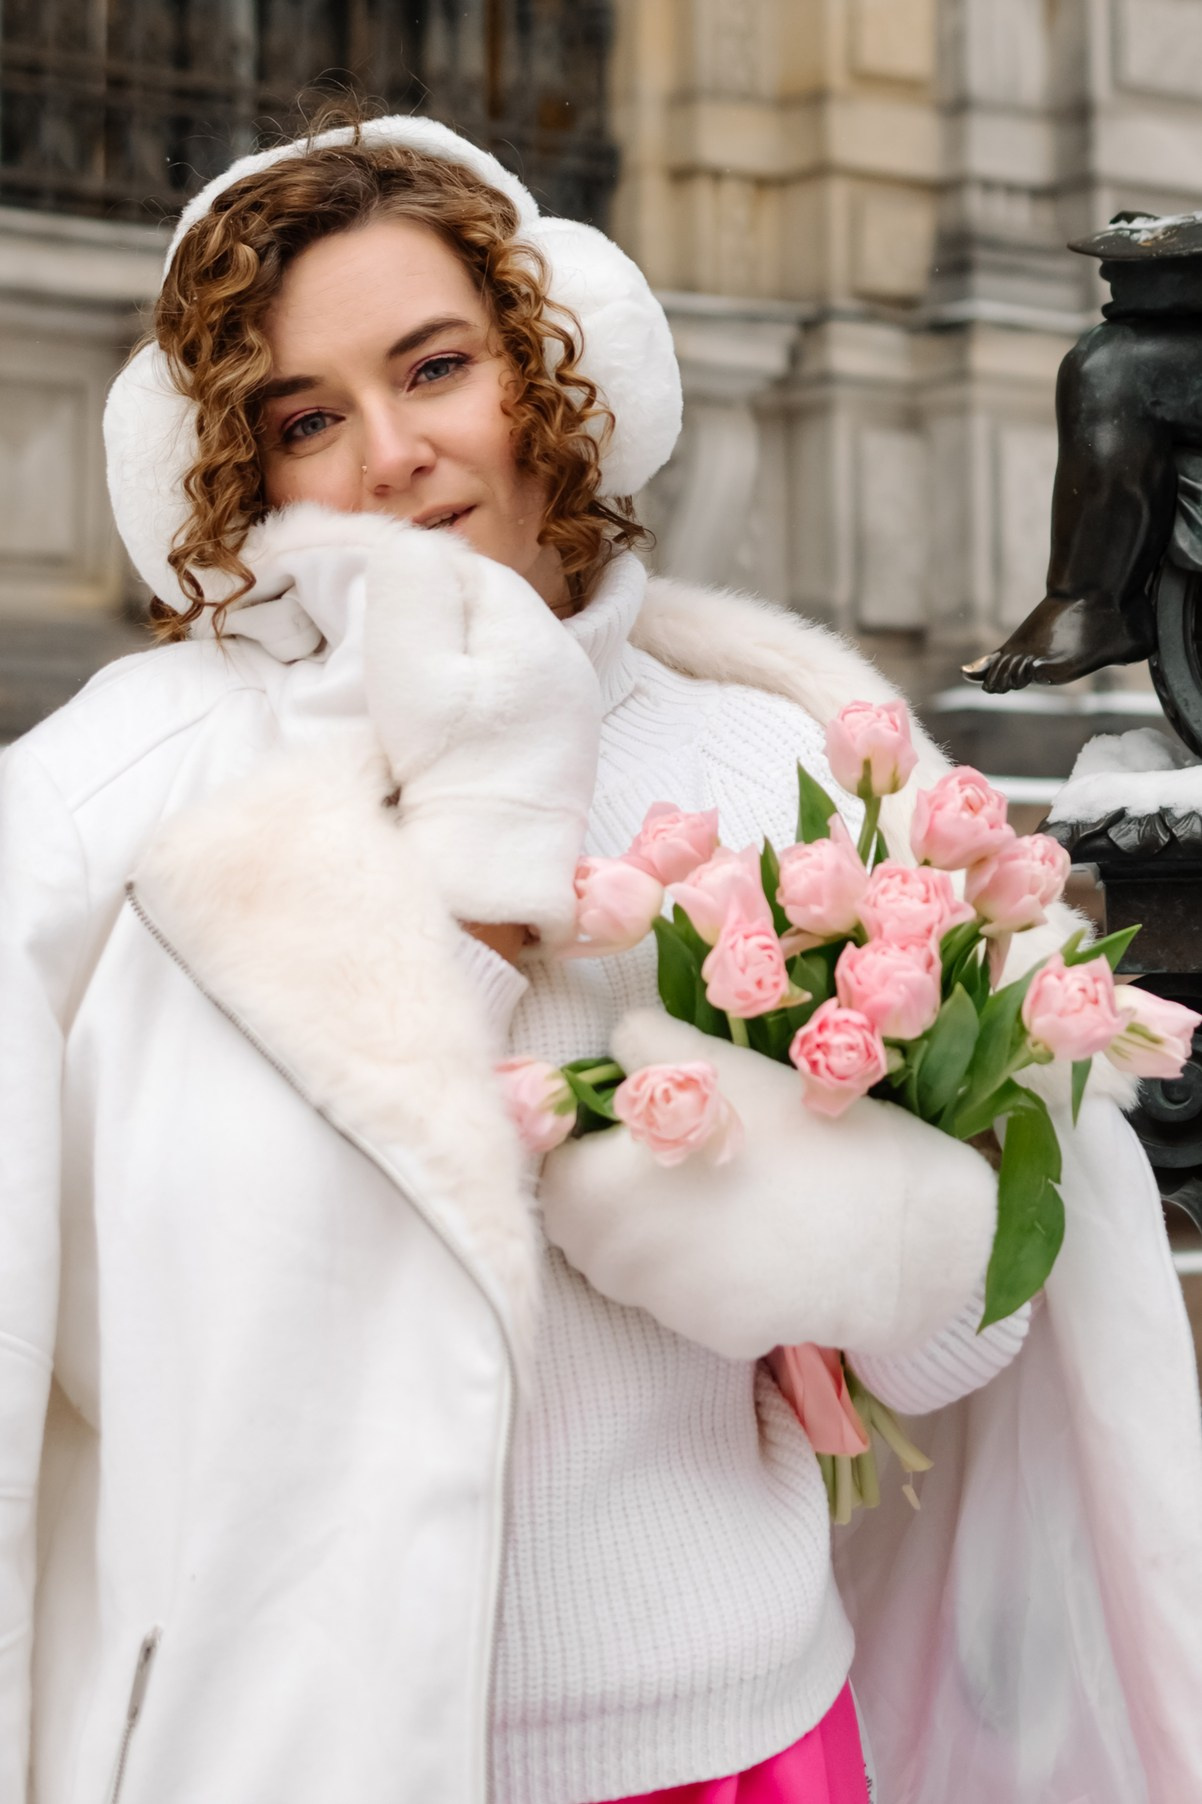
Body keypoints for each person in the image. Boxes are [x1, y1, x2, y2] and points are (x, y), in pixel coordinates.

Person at [2, 111, 1200, 1804]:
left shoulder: (776, 764)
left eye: (436, 368)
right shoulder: (148, 813)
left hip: (726, 1732)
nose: (393, 455)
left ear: (552, 368)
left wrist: (780, 1208)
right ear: (242, 478)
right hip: (309, 1753)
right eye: (305, 419)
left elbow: (963, 1344)